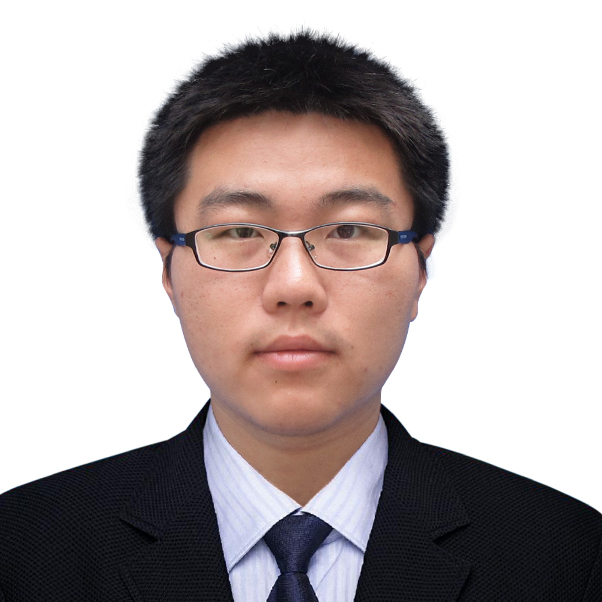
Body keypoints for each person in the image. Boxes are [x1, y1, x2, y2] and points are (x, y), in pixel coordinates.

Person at [0, 31, 600, 602]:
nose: (293, 286)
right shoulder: (23, 554)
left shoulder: (568, 559)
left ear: (420, 269)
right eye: (239, 231)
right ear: (169, 272)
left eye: (349, 230)